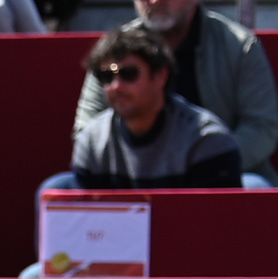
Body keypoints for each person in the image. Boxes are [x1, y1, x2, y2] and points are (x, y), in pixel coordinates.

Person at [81, 0, 278, 182]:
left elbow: (262, 128)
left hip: (219, 175)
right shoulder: (114, 51)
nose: (155, 1)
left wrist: (211, 161)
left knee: (254, 185)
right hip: (131, 178)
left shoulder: (238, 45)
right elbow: (87, 126)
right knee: (60, 186)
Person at [68, 24, 245, 191]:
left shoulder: (206, 141)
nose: (116, 86)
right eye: (106, 76)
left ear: (161, 76)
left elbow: (216, 212)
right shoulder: (92, 141)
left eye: (128, 74)